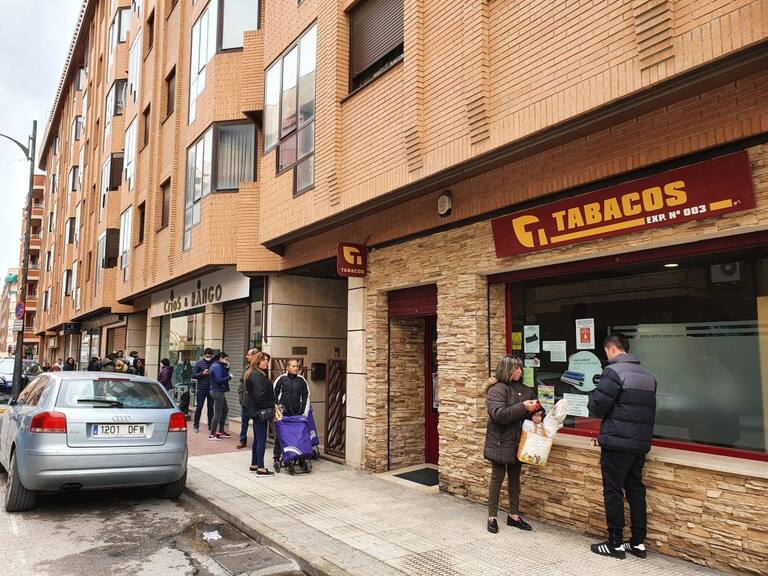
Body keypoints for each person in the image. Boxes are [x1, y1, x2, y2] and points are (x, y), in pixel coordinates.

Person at [588, 333, 657, 560]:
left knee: (613, 491)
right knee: (635, 491)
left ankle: (615, 544)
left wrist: (591, 399)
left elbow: (599, 406)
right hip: (640, 443)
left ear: (611, 349)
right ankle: (637, 543)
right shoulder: (648, 377)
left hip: (617, 443)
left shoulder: (613, 372)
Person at [483, 355, 539, 534]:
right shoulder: (497, 389)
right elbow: (499, 414)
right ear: (507, 370)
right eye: (516, 368)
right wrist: (524, 407)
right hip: (500, 441)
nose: (520, 371)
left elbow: (536, 408)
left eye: (520, 368)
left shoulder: (526, 389)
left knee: (515, 478)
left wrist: (536, 415)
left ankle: (513, 516)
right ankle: (492, 516)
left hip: (518, 440)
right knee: (497, 477)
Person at [272, 359, 310, 465]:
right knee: (281, 435)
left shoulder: (302, 380)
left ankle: (299, 456)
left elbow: (306, 397)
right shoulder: (281, 379)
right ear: (288, 367)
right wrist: (277, 413)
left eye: (297, 366)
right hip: (283, 413)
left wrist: (303, 413)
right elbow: (274, 396)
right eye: (293, 366)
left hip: (297, 413)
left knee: (298, 435)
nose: (296, 368)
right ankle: (277, 456)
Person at [244, 351, 275, 475]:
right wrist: (270, 406)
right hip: (260, 412)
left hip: (255, 411)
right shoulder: (258, 376)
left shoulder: (252, 373)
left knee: (257, 439)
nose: (266, 362)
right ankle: (261, 467)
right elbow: (260, 396)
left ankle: (254, 464)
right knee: (261, 439)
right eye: (263, 360)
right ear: (257, 361)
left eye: (267, 360)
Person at [238, 350, 271, 449]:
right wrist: (241, 395)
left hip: (255, 406)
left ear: (254, 356)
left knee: (257, 432)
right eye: (264, 360)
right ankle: (243, 440)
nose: (246, 356)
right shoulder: (248, 369)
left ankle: (255, 445)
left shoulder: (261, 373)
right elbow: (241, 383)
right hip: (247, 402)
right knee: (244, 422)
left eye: (249, 355)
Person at [208, 351, 232, 440]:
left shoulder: (218, 365)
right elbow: (219, 380)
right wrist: (230, 377)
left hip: (218, 391)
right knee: (217, 413)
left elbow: (223, 373)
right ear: (220, 358)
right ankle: (212, 434)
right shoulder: (216, 366)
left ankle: (221, 431)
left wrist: (227, 367)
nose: (227, 360)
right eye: (225, 359)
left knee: (225, 410)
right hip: (217, 391)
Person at [192, 348, 215, 433]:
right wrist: (202, 373)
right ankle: (196, 425)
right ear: (204, 355)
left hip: (211, 388)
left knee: (211, 408)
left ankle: (210, 426)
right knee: (199, 407)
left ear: (212, 355)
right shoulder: (199, 363)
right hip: (201, 389)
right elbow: (193, 375)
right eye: (207, 356)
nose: (208, 358)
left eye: (210, 356)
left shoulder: (214, 363)